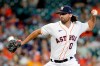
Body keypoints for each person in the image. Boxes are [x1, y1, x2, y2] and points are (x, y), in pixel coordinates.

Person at [7, 5, 97, 66]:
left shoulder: (78, 25)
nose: (61, 16)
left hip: (70, 62)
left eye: (63, 14)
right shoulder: (53, 26)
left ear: (70, 15)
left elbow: (91, 26)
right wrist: (22, 42)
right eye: (60, 14)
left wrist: (93, 16)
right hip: (53, 63)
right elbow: (37, 32)